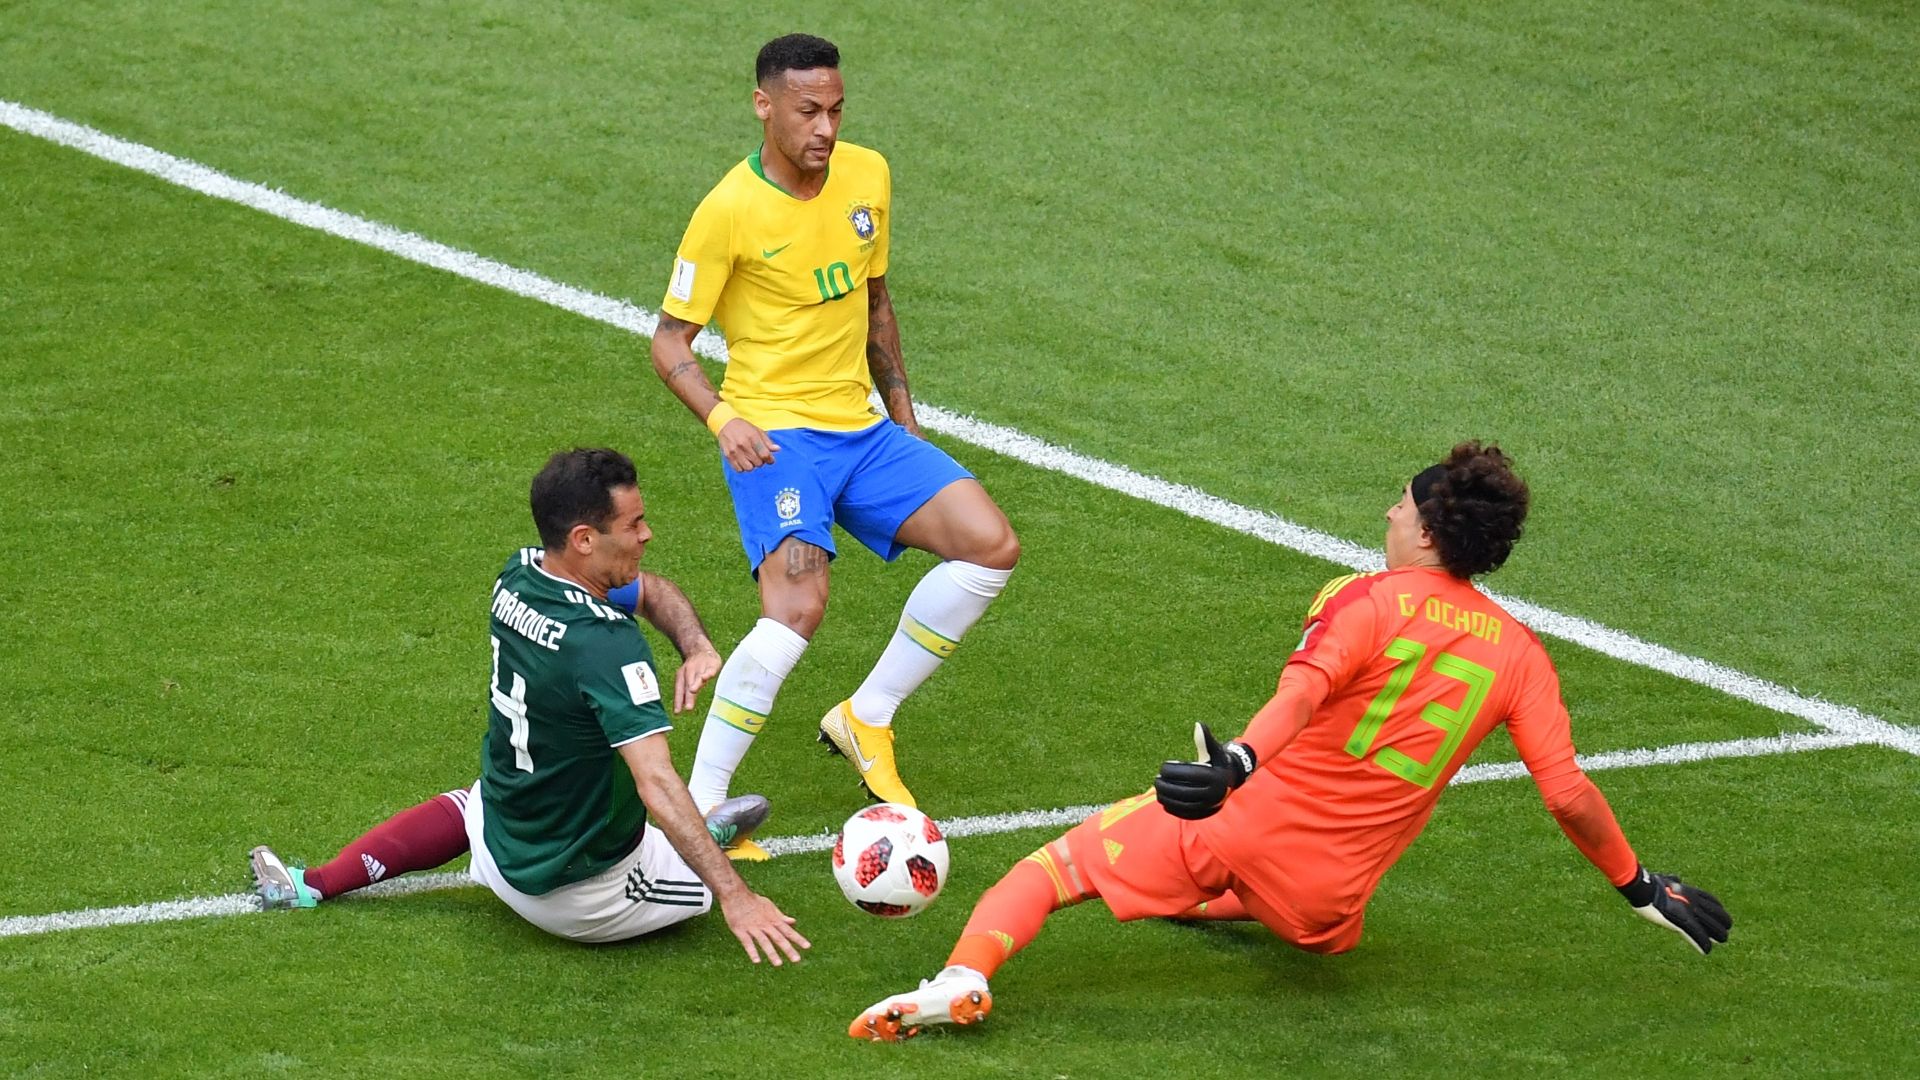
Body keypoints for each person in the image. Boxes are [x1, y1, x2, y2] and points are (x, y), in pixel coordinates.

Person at [849, 441, 1732, 1039]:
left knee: (1051, 872)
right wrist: (1639, 886)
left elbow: (1302, 696)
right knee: (1295, 920)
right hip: (1326, 897)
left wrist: (1234, 763)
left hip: (1235, 823)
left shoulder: (1366, 599)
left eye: (1399, 505)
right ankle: (1188, 893)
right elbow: (1568, 792)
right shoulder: (1523, 658)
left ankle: (959, 978)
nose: (1388, 513)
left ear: (1426, 530)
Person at [650, 33, 1021, 855]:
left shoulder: (868, 174)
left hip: (864, 428)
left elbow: (875, 298)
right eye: (808, 111)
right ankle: (700, 806)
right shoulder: (728, 211)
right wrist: (724, 420)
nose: (825, 128)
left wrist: (903, 410)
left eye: (837, 110)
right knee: (797, 608)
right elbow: (670, 341)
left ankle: (866, 715)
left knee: (990, 545)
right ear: (764, 106)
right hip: (777, 439)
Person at [249, 448, 809, 965]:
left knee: (469, 801)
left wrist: (696, 646)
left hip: (502, 829)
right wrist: (738, 897)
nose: (647, 534)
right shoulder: (605, 644)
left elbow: (654, 592)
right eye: (633, 525)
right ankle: (703, 841)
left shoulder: (519, 575)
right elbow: (656, 782)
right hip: (578, 892)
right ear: (585, 539)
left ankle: (309, 884)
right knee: (698, 894)